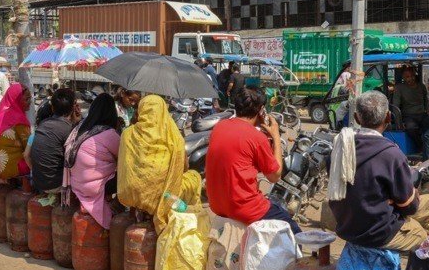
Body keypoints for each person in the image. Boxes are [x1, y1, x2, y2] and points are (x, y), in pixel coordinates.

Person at [327, 91, 429, 251]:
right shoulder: (391, 154)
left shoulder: (340, 147)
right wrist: (413, 195)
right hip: (377, 231)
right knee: (426, 239)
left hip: (347, 223)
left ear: (356, 118)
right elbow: (408, 206)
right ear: (389, 118)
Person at [205, 86, 296, 231]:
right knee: (293, 229)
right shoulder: (256, 137)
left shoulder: (219, 127)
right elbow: (274, 176)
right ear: (261, 110)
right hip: (245, 208)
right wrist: (276, 136)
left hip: (217, 204)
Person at [117, 94, 203, 230]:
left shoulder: (127, 134)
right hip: (164, 197)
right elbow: (184, 168)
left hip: (131, 195)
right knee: (194, 177)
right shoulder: (174, 137)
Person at [64, 93, 121, 228]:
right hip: (93, 188)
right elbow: (125, 157)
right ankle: (116, 207)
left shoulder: (81, 128)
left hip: (75, 183)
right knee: (128, 176)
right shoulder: (108, 134)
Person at [26, 88, 80, 193]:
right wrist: (77, 123)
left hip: (38, 183)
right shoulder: (70, 130)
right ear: (73, 108)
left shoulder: (43, 124)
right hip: (57, 185)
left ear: (52, 108)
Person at [0, 83, 32, 195]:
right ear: (17, 100)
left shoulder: (1, 115)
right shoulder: (19, 120)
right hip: (10, 169)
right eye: (27, 99)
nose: (30, 102)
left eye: (30, 98)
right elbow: (29, 148)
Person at [394, 66, 428, 145]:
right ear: (403, 77)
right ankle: (420, 145)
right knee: (411, 128)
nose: (410, 79)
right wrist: (398, 122)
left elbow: (426, 100)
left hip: (422, 114)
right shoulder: (399, 88)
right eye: (407, 77)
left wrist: (427, 109)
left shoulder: (421, 86)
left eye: (412, 76)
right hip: (409, 116)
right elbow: (396, 106)